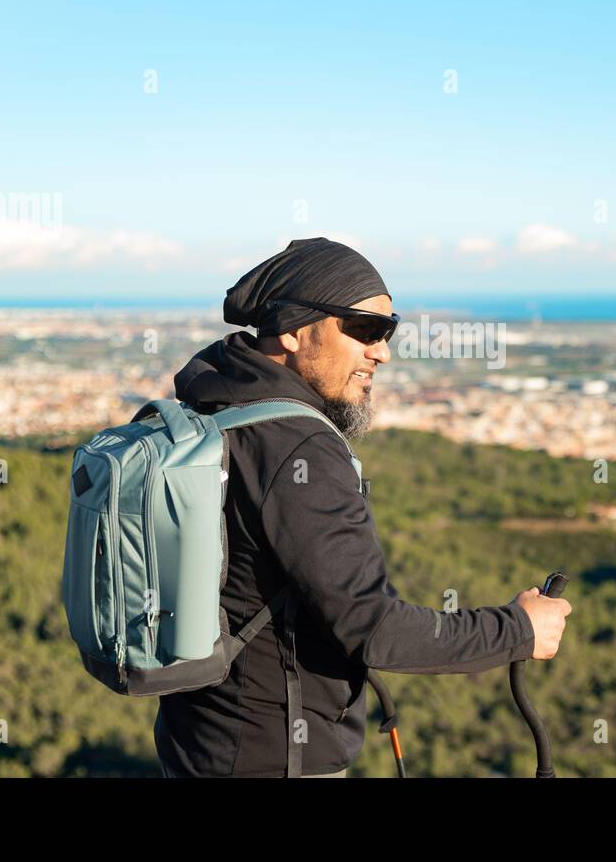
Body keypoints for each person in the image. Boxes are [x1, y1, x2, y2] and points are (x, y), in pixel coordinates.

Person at [154, 237, 572, 777]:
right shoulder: (297, 446)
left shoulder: (212, 413)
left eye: (388, 330)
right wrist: (517, 629)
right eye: (366, 330)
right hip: (275, 757)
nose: (383, 351)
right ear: (294, 329)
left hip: (197, 741)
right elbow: (373, 628)